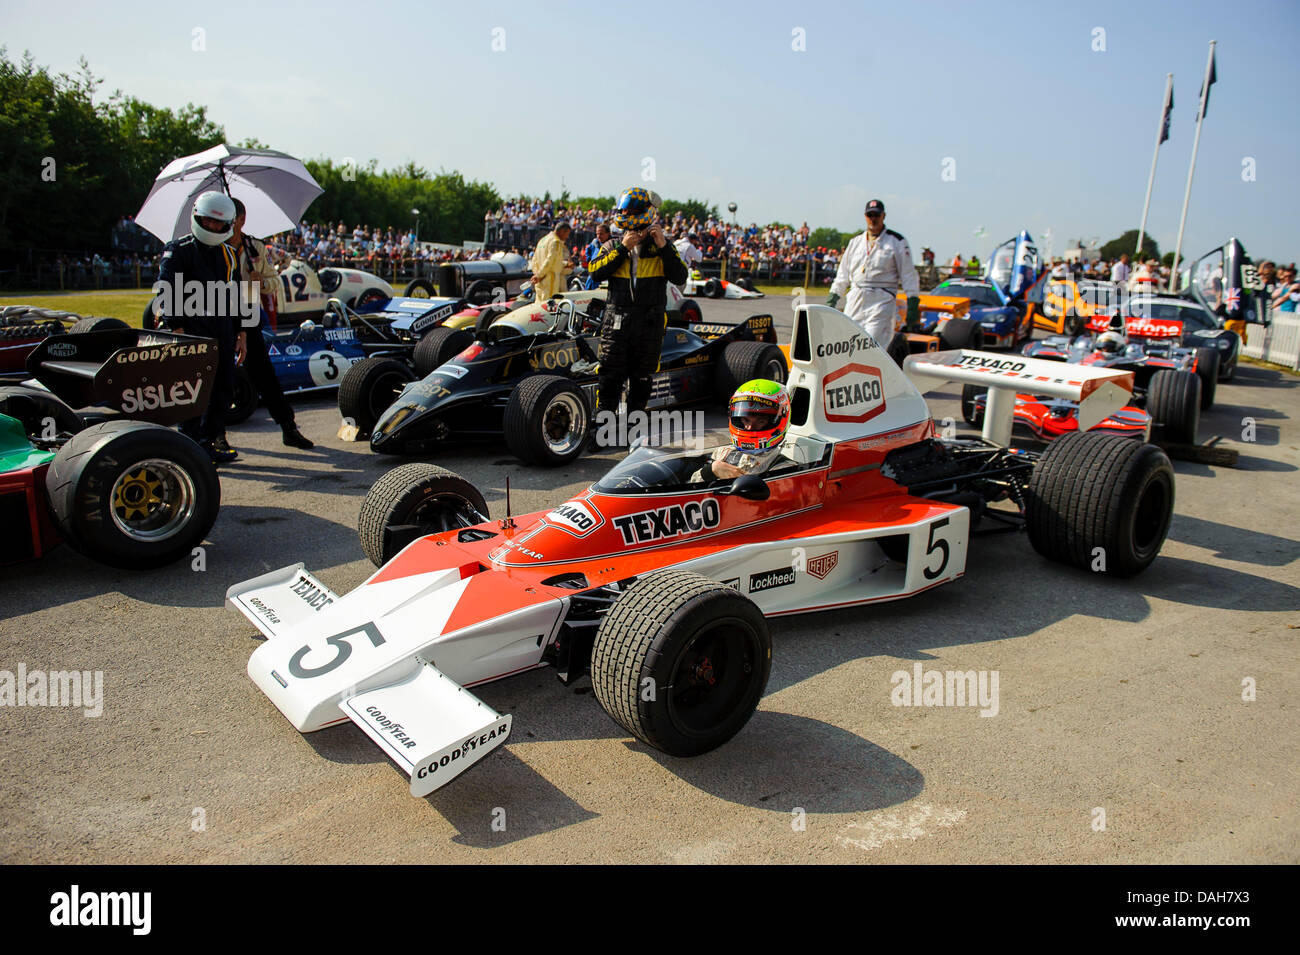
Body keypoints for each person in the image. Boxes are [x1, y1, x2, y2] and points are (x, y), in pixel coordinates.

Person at [156, 191, 246, 464]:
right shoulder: (178, 250)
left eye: (219, 224)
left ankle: (211, 441)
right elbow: (166, 288)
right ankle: (189, 446)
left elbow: (239, 295)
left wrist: (242, 333)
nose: (213, 227)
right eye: (208, 221)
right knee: (192, 389)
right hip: (191, 331)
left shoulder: (230, 254)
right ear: (197, 218)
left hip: (223, 330)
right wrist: (175, 327)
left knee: (223, 389)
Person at [587, 187, 688, 424]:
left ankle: (634, 430)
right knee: (610, 377)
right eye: (624, 211)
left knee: (642, 378)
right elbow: (595, 272)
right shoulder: (612, 245)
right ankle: (604, 429)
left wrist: (663, 245)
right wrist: (624, 247)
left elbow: (680, 277)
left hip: (649, 322)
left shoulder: (662, 246)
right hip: (617, 320)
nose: (627, 215)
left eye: (632, 211)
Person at [226, 198, 314, 450]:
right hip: (220, 315)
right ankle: (215, 435)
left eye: (233, 220)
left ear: (242, 220)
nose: (228, 225)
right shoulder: (212, 246)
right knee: (219, 377)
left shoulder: (254, 247)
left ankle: (288, 427)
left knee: (265, 374)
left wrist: (260, 283)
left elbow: (274, 281)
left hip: (249, 312)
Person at [826, 199, 920, 350]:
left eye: (876, 215)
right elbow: (843, 274)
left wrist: (913, 304)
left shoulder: (896, 242)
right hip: (856, 297)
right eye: (870, 215)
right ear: (865, 216)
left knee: (872, 346)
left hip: (881, 300)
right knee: (847, 344)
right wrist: (833, 298)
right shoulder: (855, 242)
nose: (873, 219)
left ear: (883, 216)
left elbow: (909, 275)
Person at [691, 379, 789, 483]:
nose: (749, 427)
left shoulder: (785, 468)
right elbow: (691, 488)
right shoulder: (723, 452)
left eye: (761, 421)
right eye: (746, 420)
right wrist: (711, 471)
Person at [529, 220, 572, 302]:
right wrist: (539, 275)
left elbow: (535, 259)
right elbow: (549, 261)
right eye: (567, 234)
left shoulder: (542, 240)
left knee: (539, 306)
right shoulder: (556, 241)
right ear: (562, 231)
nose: (567, 237)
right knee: (548, 307)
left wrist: (537, 274)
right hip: (550, 279)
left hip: (540, 279)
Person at [582, 223, 610, 290]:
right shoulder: (595, 243)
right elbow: (587, 252)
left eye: (601, 234)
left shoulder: (612, 244)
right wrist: (590, 261)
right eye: (597, 234)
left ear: (608, 234)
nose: (598, 236)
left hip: (605, 279)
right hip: (592, 277)